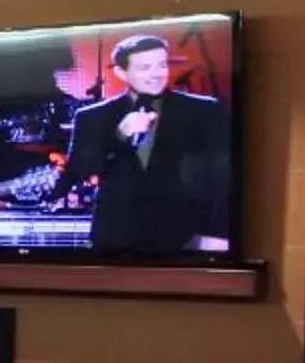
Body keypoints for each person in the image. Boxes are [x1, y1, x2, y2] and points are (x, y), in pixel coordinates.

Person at [55, 34, 232, 254]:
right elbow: (79, 172)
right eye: (144, 67)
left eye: (161, 65)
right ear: (121, 72)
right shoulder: (93, 117)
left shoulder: (203, 111)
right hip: (115, 239)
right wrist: (119, 136)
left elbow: (222, 176)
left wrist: (218, 233)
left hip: (186, 238)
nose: (157, 74)